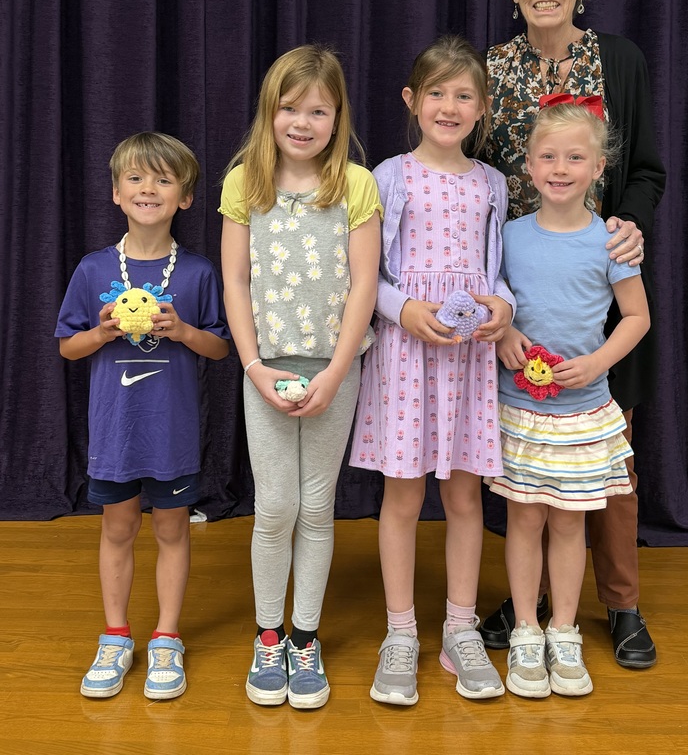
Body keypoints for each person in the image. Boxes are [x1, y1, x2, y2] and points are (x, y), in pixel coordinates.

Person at [479, 0, 666, 670]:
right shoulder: (492, 70)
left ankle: (619, 602)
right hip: (514, 290)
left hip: (594, 279)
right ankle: (527, 606)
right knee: (520, 463)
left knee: (604, 454)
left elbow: (647, 168)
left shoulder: (619, 61)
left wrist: (627, 225)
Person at [350, 36, 513, 706]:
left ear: (482, 109)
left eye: (464, 95)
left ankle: (460, 627)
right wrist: (402, 309)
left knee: (468, 495)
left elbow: (496, 266)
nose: (450, 106)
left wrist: (503, 304)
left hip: (469, 356)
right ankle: (400, 632)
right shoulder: (387, 176)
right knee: (404, 495)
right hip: (407, 351)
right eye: (437, 93)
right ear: (413, 101)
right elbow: (368, 272)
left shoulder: (493, 183)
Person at [219, 44, 381, 711]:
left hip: (333, 369)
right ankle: (268, 634)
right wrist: (254, 365)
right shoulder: (243, 184)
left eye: (318, 109)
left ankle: (304, 638)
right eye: (291, 108)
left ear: (337, 114)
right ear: (271, 110)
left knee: (317, 507)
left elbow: (366, 283)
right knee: (276, 506)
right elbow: (235, 279)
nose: (303, 121)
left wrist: (339, 369)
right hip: (267, 368)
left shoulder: (355, 184)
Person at [56, 132, 230, 700]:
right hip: (115, 431)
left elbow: (221, 348)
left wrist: (181, 330)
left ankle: (166, 638)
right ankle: (115, 636)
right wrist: (102, 330)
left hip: (172, 431)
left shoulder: (199, 272)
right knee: (117, 529)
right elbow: (67, 348)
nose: (147, 188)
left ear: (184, 197)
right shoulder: (92, 269)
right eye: (135, 178)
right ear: (115, 193)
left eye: (162, 179)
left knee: (173, 529)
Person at [491, 101, 650, 697]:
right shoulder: (508, 237)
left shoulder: (610, 243)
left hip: (583, 413)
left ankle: (564, 630)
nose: (561, 168)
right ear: (528, 166)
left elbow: (636, 317)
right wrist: (505, 333)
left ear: (597, 167)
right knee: (524, 521)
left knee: (569, 526)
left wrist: (598, 362)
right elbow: (492, 300)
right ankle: (527, 631)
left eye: (575, 158)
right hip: (521, 410)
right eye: (549, 156)